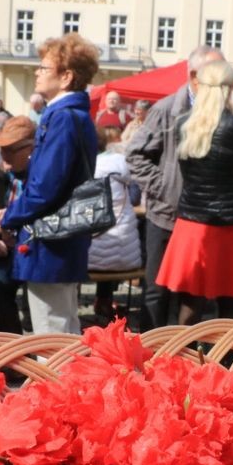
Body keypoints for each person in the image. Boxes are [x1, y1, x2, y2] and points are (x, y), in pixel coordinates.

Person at [0, 33, 100, 334]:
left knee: (52, 334)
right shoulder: (71, 114)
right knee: (62, 324)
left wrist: (9, 216)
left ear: (66, 77)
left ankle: (59, 383)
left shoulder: (63, 117)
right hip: (60, 237)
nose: (37, 72)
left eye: (44, 68)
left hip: (51, 241)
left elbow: (45, 188)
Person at [156, 60, 233, 325]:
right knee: (229, 307)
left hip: (190, 222)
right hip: (225, 225)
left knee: (190, 305)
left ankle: (180, 360)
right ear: (229, 89)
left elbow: (187, 169)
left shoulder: (184, 123)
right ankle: (223, 363)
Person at [127, 44, 224, 329]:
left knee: (194, 294)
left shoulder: (222, 113)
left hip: (203, 220)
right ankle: (147, 359)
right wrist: (165, 188)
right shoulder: (167, 109)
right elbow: (135, 154)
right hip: (166, 216)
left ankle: (184, 359)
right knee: (157, 291)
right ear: (195, 76)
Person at [0, 116, 37, 333]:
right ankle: (12, 347)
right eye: (2, 149)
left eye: (11, 150)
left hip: (34, 247)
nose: (4, 155)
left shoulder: (41, 180)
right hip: (4, 251)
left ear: (30, 149)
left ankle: (38, 341)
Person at [88, 128, 142, 322]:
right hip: (126, 259)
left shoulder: (81, 167)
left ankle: (94, 300)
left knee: (96, 240)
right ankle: (105, 299)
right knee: (115, 237)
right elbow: (135, 199)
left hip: (85, 261)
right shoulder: (121, 165)